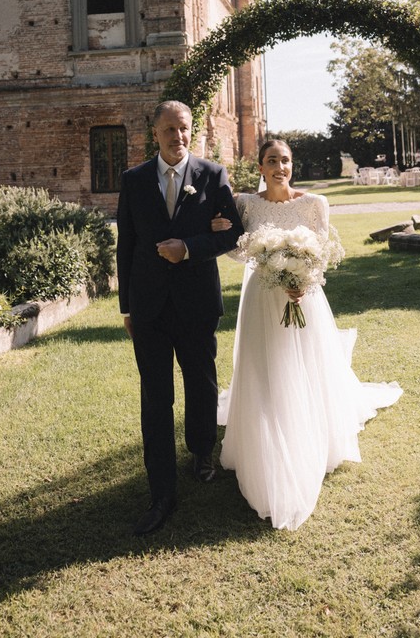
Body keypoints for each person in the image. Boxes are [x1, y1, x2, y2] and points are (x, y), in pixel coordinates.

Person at [213, 139, 402, 531]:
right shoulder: (247, 203)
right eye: (271, 161)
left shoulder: (314, 203)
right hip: (261, 299)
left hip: (304, 297)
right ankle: (265, 430)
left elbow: (320, 253)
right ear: (260, 167)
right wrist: (222, 231)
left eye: (285, 160)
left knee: (307, 364)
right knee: (264, 366)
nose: (279, 166)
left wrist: (304, 282)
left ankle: (311, 428)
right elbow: (237, 251)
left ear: (292, 165)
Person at [116, 100, 244, 536]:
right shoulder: (133, 181)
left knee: (201, 383)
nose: (178, 137)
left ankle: (201, 450)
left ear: (192, 131)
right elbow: (126, 247)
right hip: (149, 307)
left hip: (196, 302)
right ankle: (162, 494)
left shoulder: (212, 175)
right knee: (155, 399)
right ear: (155, 133)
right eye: (170, 129)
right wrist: (127, 308)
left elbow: (234, 233)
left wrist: (189, 247)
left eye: (185, 128)